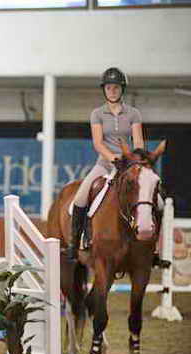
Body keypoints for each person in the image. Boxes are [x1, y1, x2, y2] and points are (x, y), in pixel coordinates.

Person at [69, 67, 146, 262]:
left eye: (116, 87)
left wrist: (133, 159)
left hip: (129, 164)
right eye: (109, 87)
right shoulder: (97, 114)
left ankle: (151, 247)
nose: (112, 91)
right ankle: (76, 243)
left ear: (122, 89)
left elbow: (138, 142)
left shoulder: (134, 113)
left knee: (157, 200)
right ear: (104, 90)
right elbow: (98, 143)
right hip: (104, 164)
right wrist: (113, 159)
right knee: (80, 197)